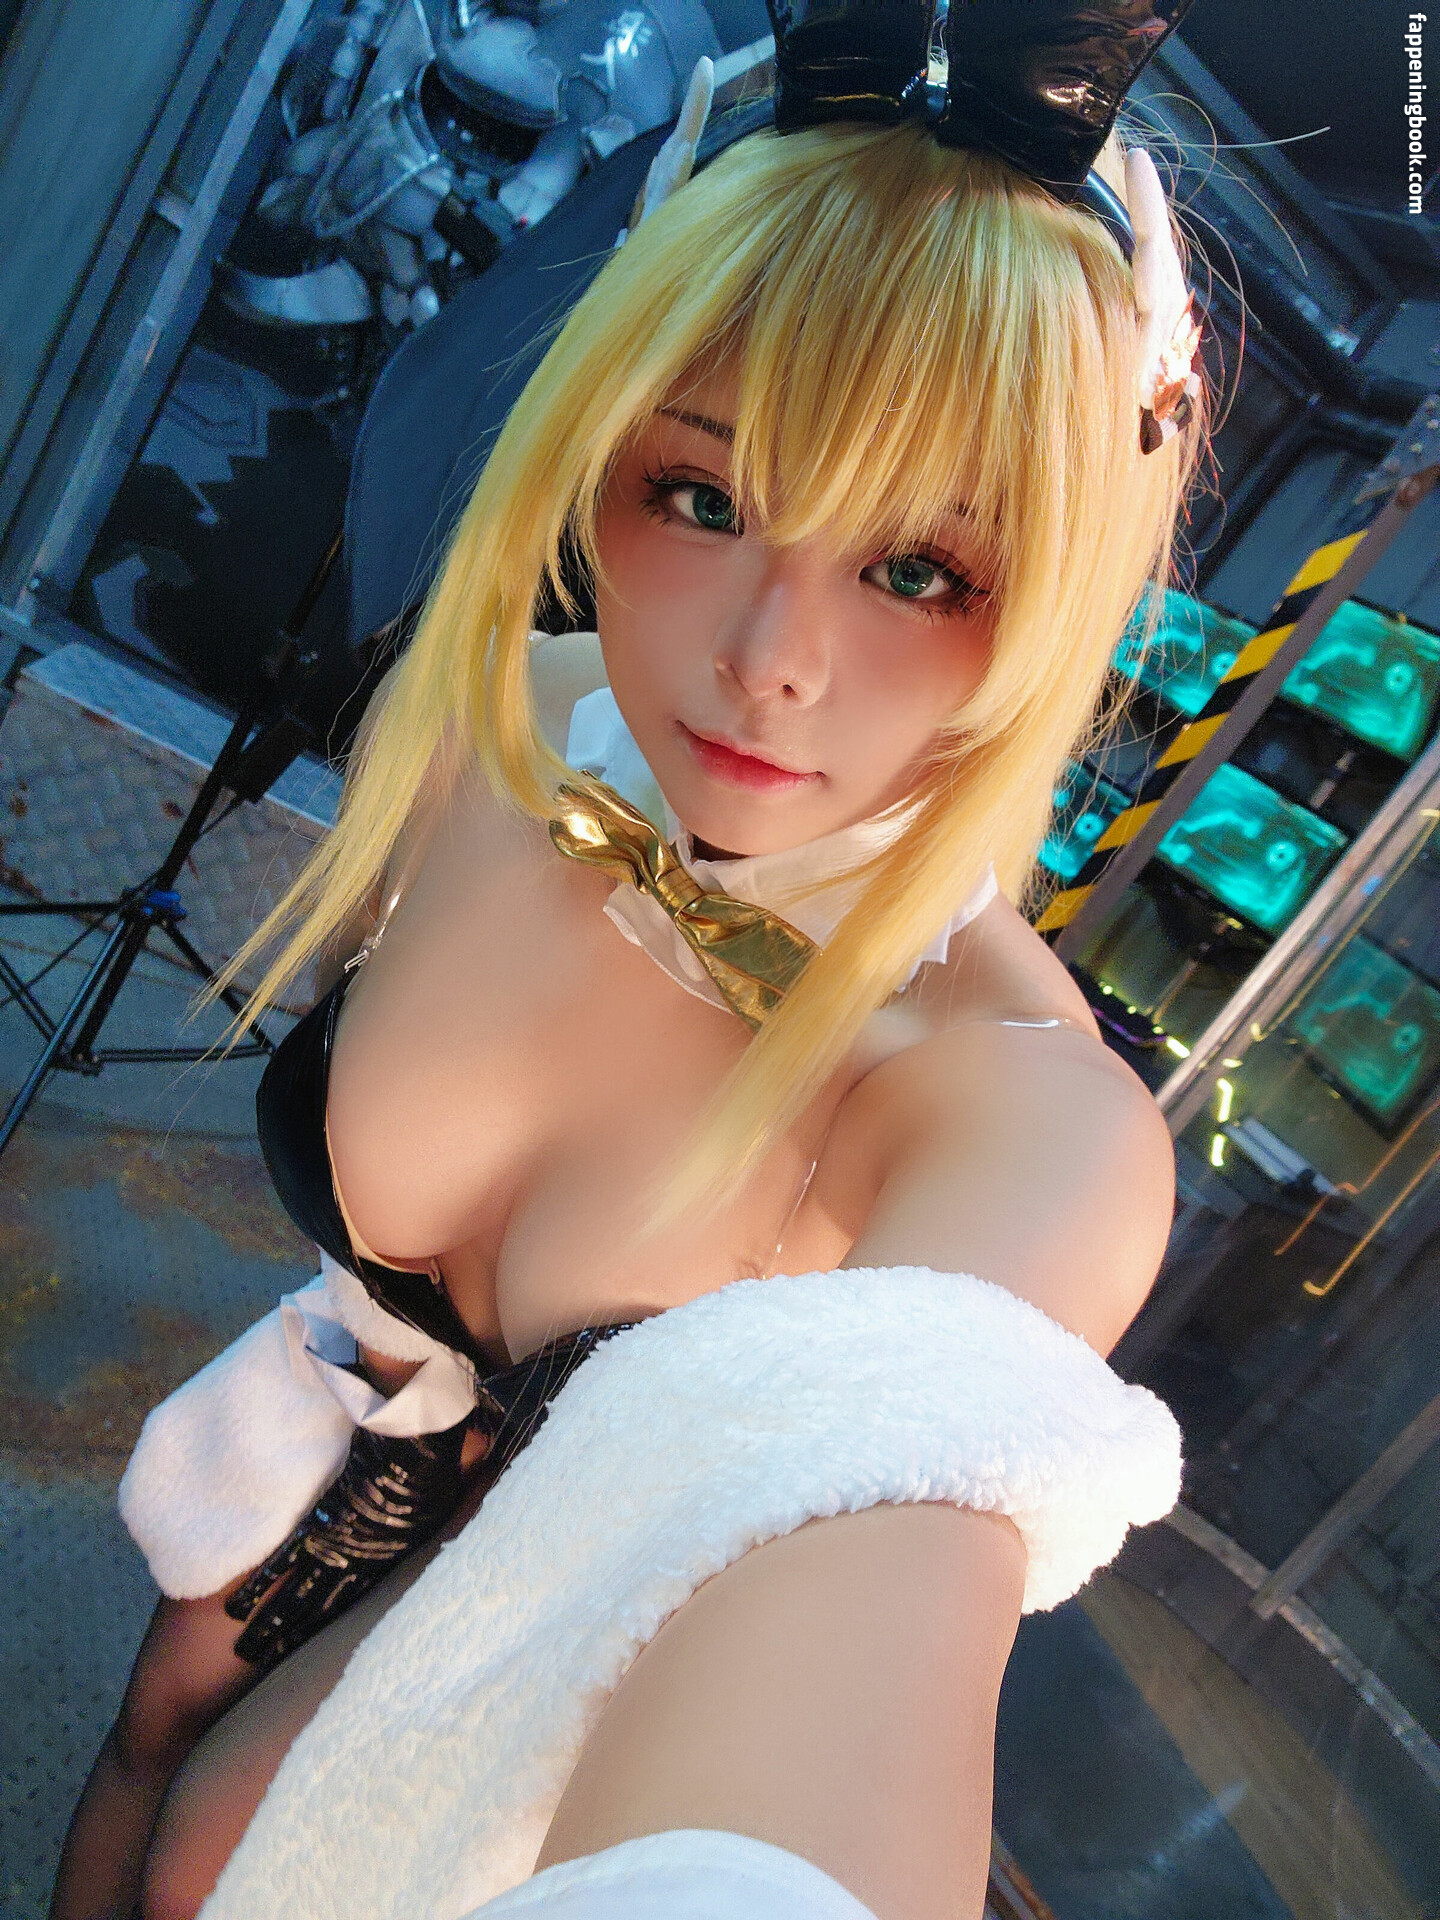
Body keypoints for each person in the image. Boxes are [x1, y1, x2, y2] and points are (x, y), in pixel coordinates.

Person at [51, 3, 1205, 1915]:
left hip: (540, 1641)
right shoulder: (523, 719)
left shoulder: (1012, 1109)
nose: (767, 660)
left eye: (919, 568)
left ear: (1058, 593)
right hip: (332, 1452)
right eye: (704, 499)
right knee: (148, 1747)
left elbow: (856, 1669)